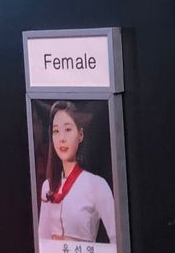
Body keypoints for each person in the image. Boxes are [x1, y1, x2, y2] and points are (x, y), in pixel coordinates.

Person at [36, 101, 116, 243]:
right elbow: (42, 240)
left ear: (80, 135)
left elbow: (117, 238)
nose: (61, 138)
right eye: (56, 131)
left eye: (67, 129)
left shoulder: (96, 185)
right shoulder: (47, 187)